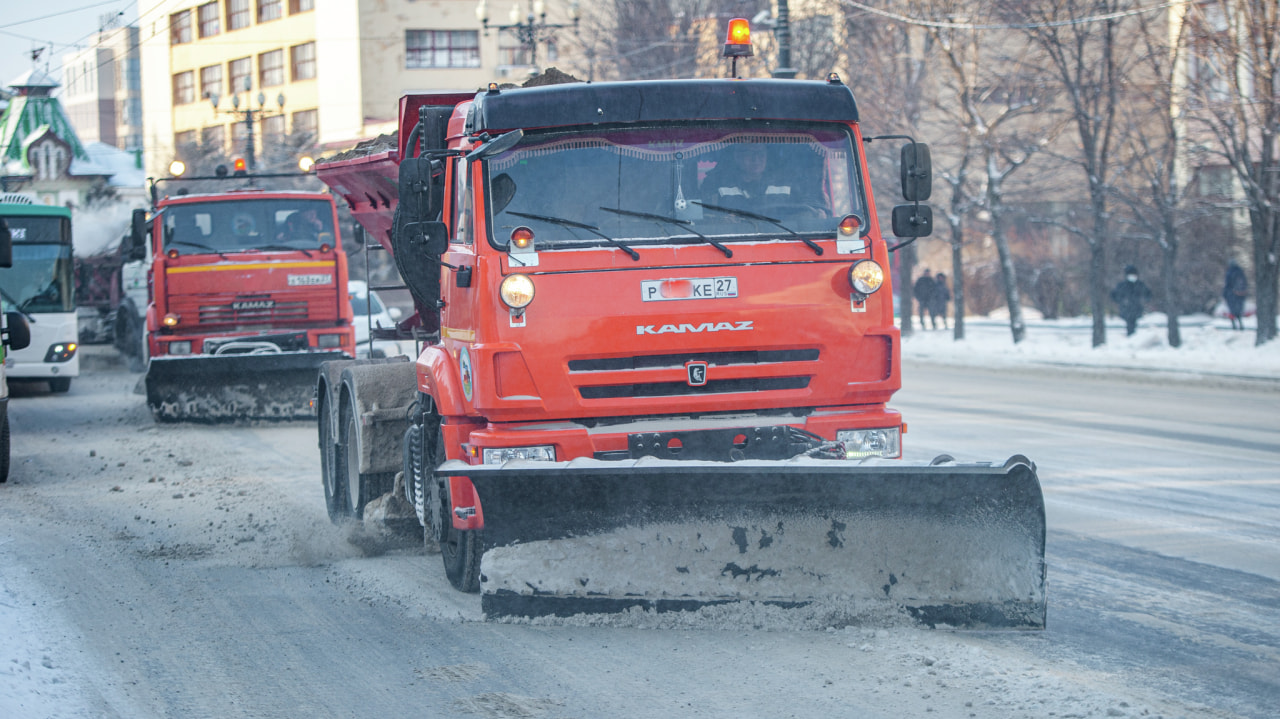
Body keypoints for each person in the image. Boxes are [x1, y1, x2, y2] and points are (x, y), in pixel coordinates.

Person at [1110, 264, 1152, 336]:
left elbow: (1148, 294)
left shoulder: (1140, 285)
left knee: (1135, 325)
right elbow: (1114, 295)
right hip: (1126, 309)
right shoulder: (1122, 285)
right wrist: (1121, 301)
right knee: (1129, 324)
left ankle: (1133, 337)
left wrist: (1144, 301)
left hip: (1137, 308)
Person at [1223, 261, 1248, 330]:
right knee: (1239, 310)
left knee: (1232, 311)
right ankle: (1240, 324)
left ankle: (1234, 325)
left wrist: (1224, 294)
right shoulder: (1240, 272)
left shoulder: (1229, 272)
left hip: (1231, 294)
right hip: (1240, 294)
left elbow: (1227, 284)